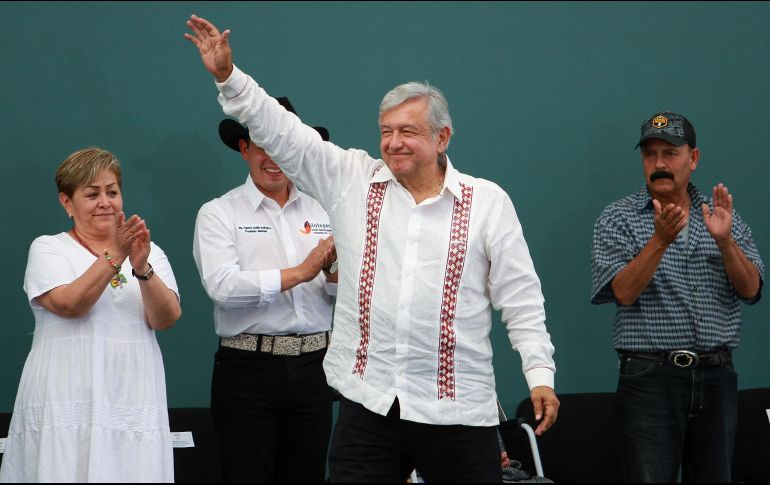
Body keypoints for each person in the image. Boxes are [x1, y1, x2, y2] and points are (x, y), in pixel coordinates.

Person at [185, 14, 559, 483]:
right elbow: (282, 131)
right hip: (370, 402)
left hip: (458, 408)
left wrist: (539, 374)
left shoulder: (488, 202)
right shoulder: (352, 181)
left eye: (408, 131)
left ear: (443, 137)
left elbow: (520, 298)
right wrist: (228, 76)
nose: (394, 142)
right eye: (386, 131)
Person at [590, 111, 764, 482]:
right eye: (650, 155)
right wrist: (660, 240)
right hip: (650, 378)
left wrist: (725, 240)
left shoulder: (723, 217)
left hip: (716, 376)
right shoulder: (617, 218)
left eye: (669, 153)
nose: (659, 164)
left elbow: (751, 290)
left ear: (693, 159)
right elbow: (623, 292)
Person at [0, 147, 182, 483]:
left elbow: (166, 318)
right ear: (67, 203)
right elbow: (71, 304)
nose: (105, 202)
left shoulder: (148, 251)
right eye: (92, 194)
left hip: (132, 395)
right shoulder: (48, 248)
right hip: (66, 395)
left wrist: (141, 268)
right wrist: (117, 253)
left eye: (112, 192)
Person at [192, 102, 337, 482]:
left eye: (283, 145)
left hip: (316, 366)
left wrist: (336, 274)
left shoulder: (325, 210)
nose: (273, 158)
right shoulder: (219, 212)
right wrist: (301, 272)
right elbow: (222, 286)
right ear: (244, 148)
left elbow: (343, 293)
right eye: (262, 146)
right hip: (247, 368)